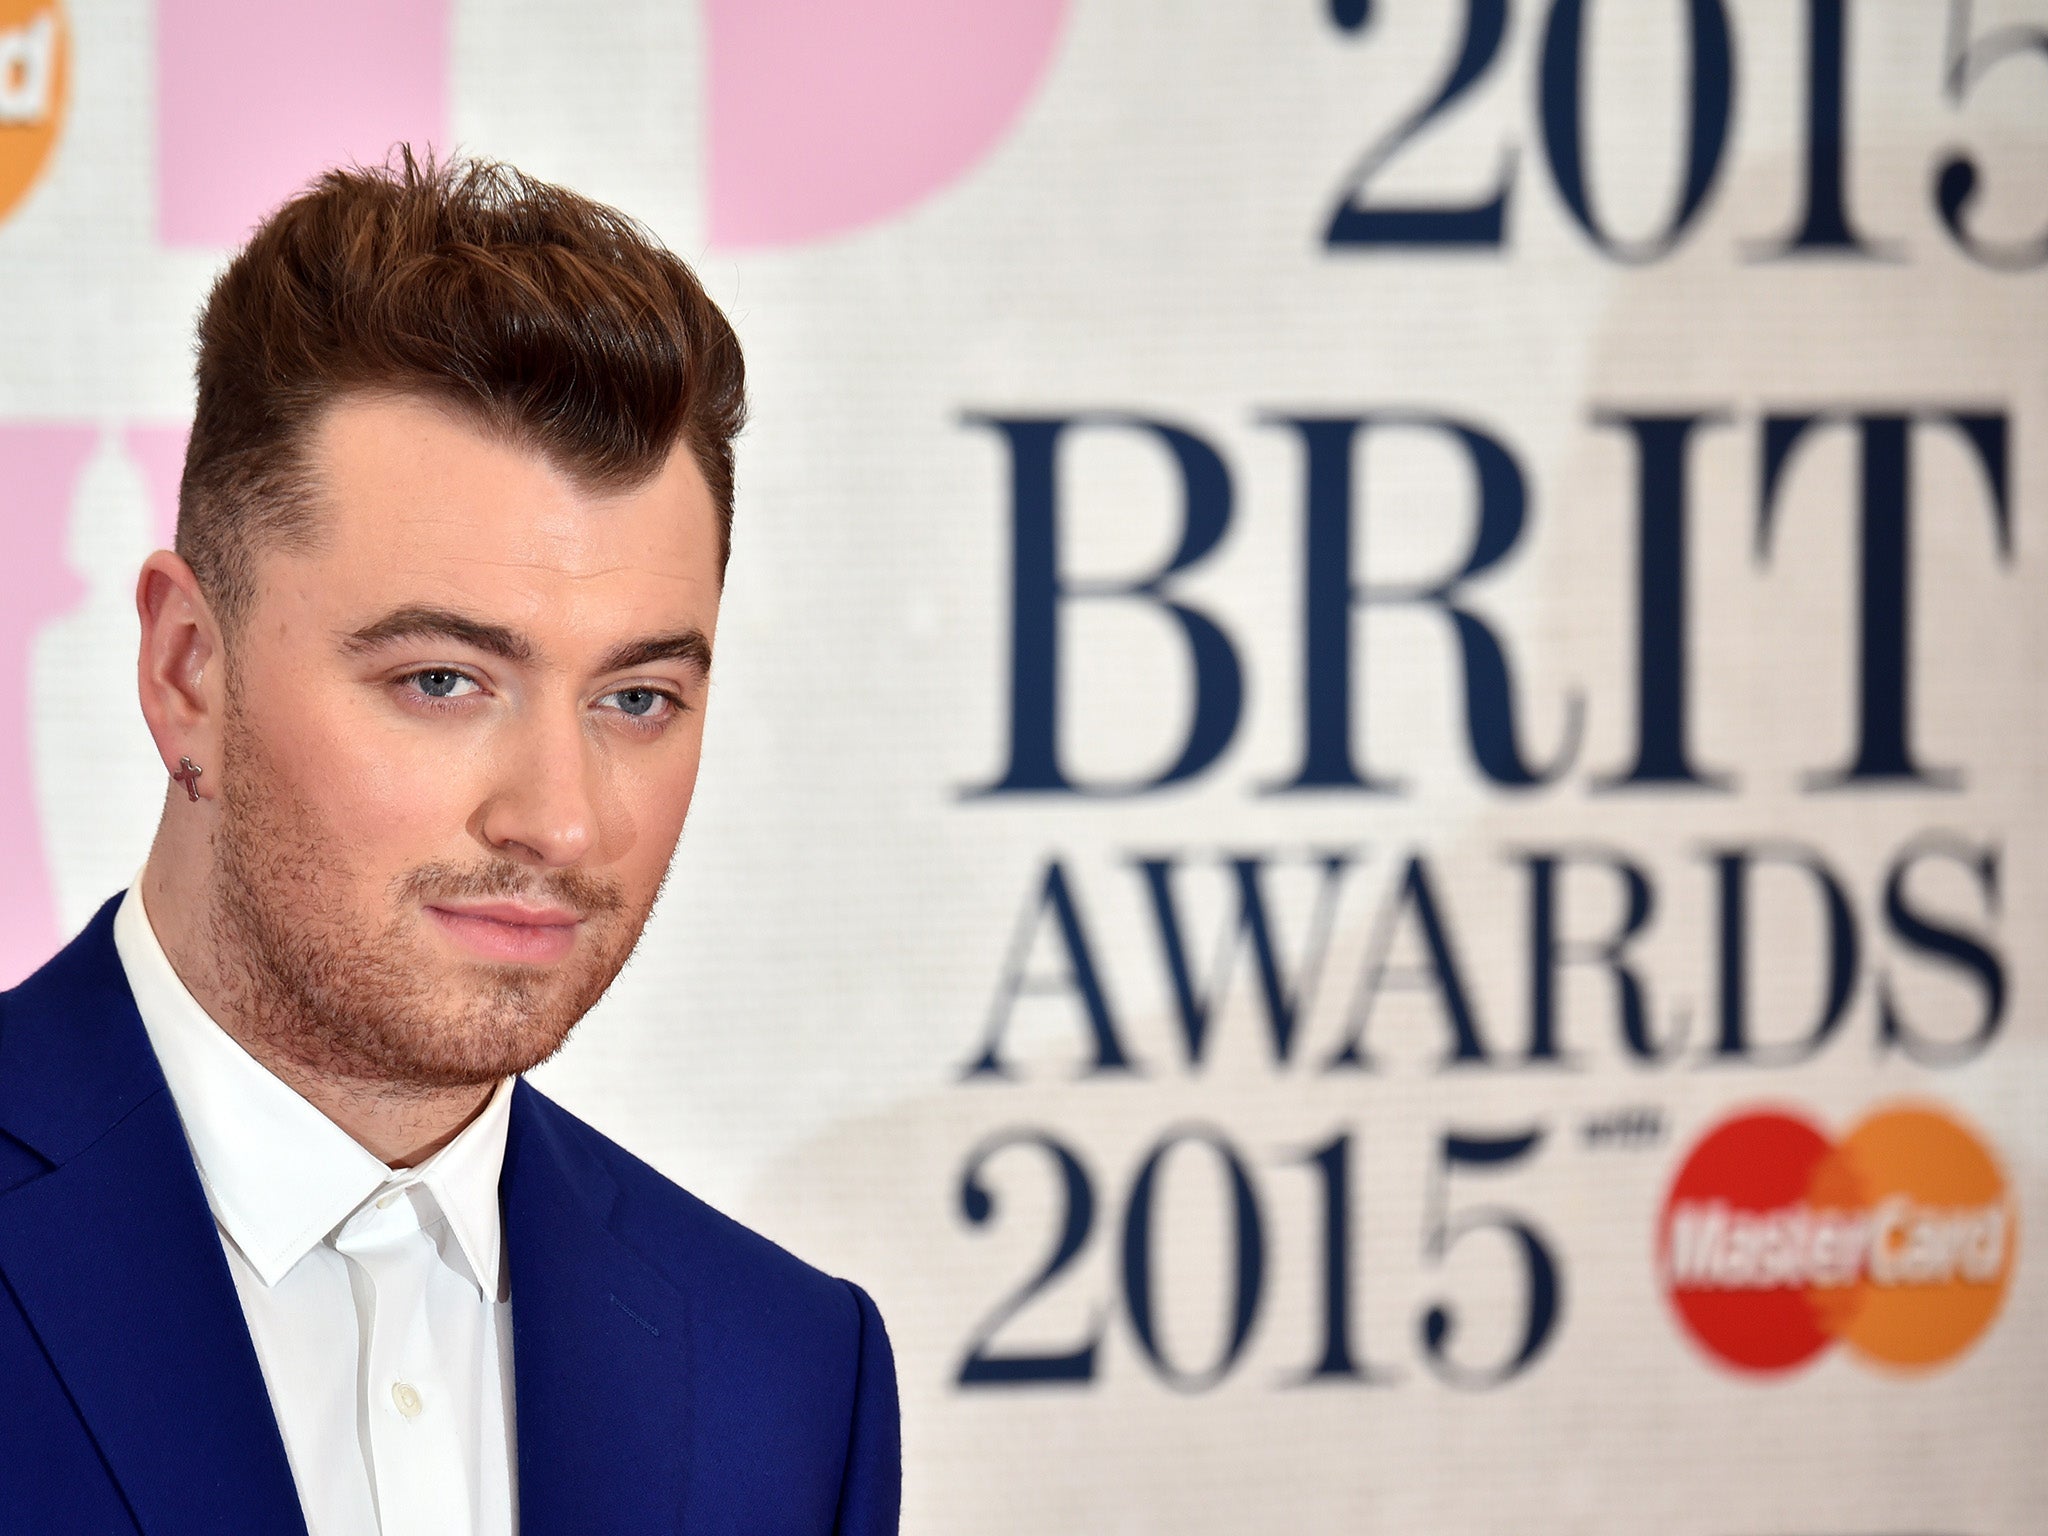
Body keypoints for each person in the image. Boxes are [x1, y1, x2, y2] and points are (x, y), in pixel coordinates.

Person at [0, 152, 899, 1534]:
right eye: (441, 682)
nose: (562, 817)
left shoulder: (786, 1376)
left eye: (637, 699)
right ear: (189, 669)